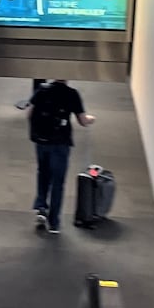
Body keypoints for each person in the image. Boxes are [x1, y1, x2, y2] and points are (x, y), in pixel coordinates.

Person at [26, 78, 93, 235]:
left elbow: (29, 114)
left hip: (41, 142)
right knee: (58, 181)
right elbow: (83, 120)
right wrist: (91, 119)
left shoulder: (42, 90)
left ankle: (41, 208)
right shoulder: (71, 94)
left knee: (43, 173)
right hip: (60, 143)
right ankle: (54, 222)